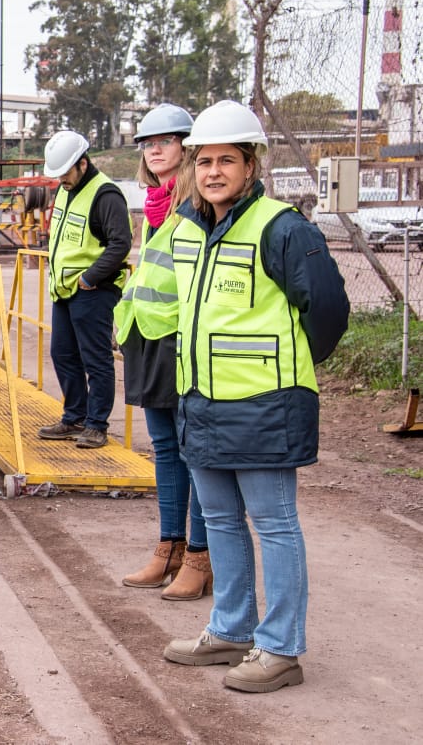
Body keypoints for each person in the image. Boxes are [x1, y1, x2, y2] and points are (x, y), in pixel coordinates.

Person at [162, 100, 348, 694]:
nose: (214, 171)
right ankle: (231, 630)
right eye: (205, 161)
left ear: (251, 165)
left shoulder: (282, 228)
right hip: (202, 402)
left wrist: (288, 364)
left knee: (274, 524)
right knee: (219, 519)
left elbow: (328, 310)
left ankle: (281, 649)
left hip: (266, 404)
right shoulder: (189, 228)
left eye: (227, 160)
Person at [115, 104, 211, 599]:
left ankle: (200, 555)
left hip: (180, 341)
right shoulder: (157, 206)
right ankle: (169, 547)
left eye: (165, 141)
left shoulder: (199, 204)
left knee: (192, 450)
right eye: (147, 143)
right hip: (149, 337)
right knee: (165, 449)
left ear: (187, 148)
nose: (154, 150)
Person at [37, 130, 131, 449]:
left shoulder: (106, 194)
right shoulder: (66, 190)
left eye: (65, 172)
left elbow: (120, 243)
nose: (61, 179)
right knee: (62, 353)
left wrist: (90, 277)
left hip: (93, 290)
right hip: (64, 289)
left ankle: (96, 424)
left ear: (83, 164)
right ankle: (75, 416)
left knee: (95, 359)